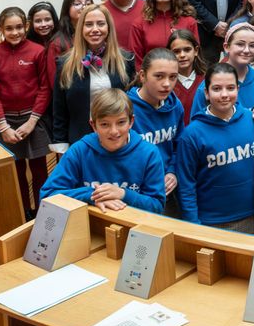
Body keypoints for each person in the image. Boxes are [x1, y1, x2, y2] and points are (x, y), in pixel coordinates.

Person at [40, 89, 165, 213]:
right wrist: (92, 195)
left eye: (121, 122)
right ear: (94, 126)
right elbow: (47, 195)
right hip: (89, 224)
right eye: (105, 124)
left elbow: (157, 206)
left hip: (134, 226)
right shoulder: (79, 151)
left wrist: (123, 194)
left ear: (131, 122)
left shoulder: (149, 153)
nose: (114, 131)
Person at [174, 63, 254, 231]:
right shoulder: (192, 135)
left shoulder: (252, 120)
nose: (224, 95)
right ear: (206, 93)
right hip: (210, 221)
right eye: (217, 89)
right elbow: (186, 184)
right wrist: (193, 223)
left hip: (250, 215)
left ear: (238, 90)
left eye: (230, 88)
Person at [0, 7, 52, 216]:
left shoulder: (37, 51)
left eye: (19, 27)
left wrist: (32, 121)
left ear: (26, 26)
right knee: (17, 169)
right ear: (0, 29)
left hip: (34, 118)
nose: (15, 32)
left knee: (40, 167)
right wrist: (3, 126)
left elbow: (44, 88)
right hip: (7, 121)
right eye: (9, 28)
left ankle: (43, 211)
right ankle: (23, 212)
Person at [51, 4, 136, 152]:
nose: (95, 29)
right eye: (89, 24)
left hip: (118, 139)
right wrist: (61, 145)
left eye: (101, 24)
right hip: (80, 142)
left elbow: (131, 103)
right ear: (81, 29)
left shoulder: (125, 60)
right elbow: (59, 109)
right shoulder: (65, 64)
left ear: (108, 28)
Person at [127, 48, 185, 215]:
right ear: (143, 75)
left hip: (166, 189)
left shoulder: (175, 106)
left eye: (173, 77)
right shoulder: (126, 108)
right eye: (159, 76)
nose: (167, 83)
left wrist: (173, 172)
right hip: (136, 192)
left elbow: (178, 146)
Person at [190, 23, 254, 113]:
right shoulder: (210, 84)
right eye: (240, 44)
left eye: (252, 45)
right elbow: (198, 122)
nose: (246, 50)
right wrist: (249, 113)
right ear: (226, 47)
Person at [131, 0, 199, 59]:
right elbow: (137, 59)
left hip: (182, 72)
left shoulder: (189, 22)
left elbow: (196, 55)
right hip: (152, 72)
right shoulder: (139, 24)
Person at [167, 29, 204, 124]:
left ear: (196, 51)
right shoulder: (166, 84)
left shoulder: (207, 80)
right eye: (176, 51)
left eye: (187, 50)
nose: (182, 55)